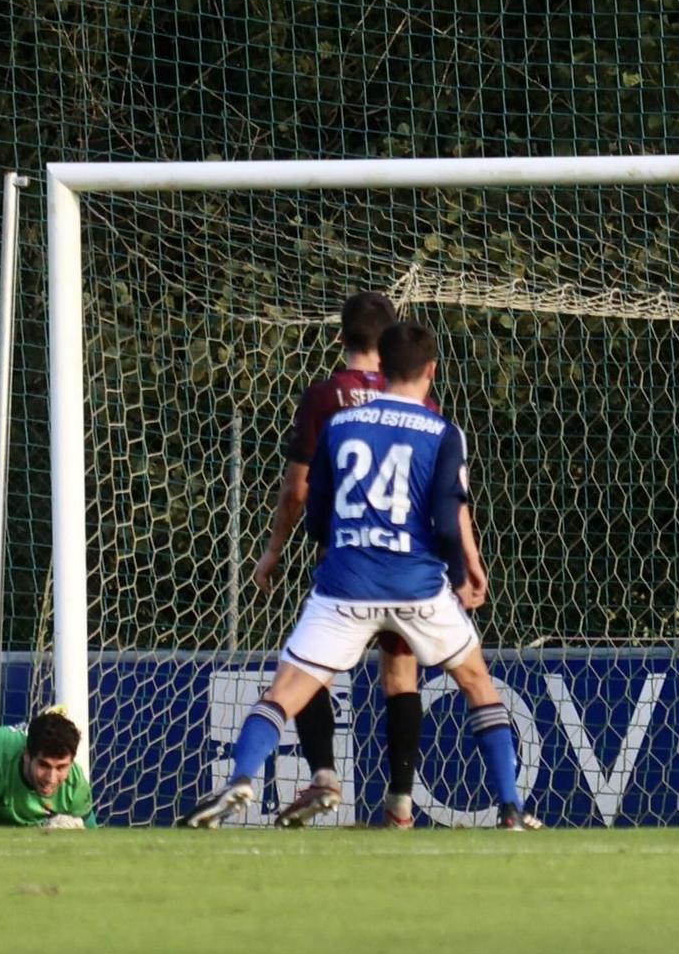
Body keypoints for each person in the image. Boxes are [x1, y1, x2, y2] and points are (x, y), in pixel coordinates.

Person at [182, 320, 540, 831]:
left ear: (381, 366)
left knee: (284, 691)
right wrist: (462, 574)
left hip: (345, 586)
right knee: (477, 683)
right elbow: (446, 516)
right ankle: (509, 807)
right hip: (418, 587)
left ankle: (240, 778)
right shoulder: (442, 431)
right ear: (432, 371)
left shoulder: (341, 425)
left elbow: (317, 510)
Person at [245, 291, 429, 828]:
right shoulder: (417, 401)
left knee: (311, 669)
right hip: (405, 563)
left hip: (344, 563)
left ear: (340, 337)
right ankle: (400, 801)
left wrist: (274, 549)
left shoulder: (326, 396)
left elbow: (297, 489)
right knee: (401, 675)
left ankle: (324, 774)